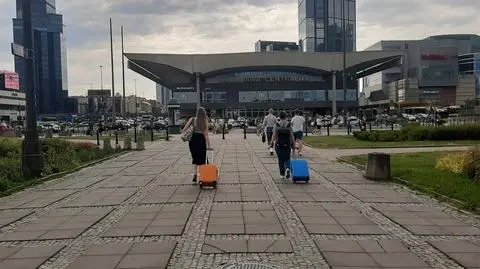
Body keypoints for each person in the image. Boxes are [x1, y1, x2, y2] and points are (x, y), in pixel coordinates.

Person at [181, 107, 213, 183]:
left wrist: (189, 130)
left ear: (197, 113)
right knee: (202, 159)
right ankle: (201, 177)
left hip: (193, 139)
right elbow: (206, 134)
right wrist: (209, 145)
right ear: (204, 113)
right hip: (201, 140)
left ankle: (195, 174)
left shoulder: (192, 119)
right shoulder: (204, 121)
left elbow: (185, 128)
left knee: (194, 157)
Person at [270, 111, 295, 179]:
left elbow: (274, 135)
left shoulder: (276, 125)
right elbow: (292, 135)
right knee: (287, 158)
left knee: (280, 159)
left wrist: (271, 143)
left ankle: (282, 174)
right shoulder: (289, 125)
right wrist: (293, 144)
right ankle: (287, 168)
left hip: (278, 144)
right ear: (286, 116)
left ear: (279, 117)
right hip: (287, 144)